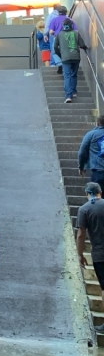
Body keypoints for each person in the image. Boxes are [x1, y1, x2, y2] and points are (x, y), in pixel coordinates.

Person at [76, 182, 104, 337]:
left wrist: (79, 255)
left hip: (100, 255)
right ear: (100, 192)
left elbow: (81, 235)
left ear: (87, 193)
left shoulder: (84, 209)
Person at [53, 17, 86, 103]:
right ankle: (74, 92)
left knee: (67, 76)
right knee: (74, 75)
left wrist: (60, 55)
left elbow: (55, 47)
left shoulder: (59, 34)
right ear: (71, 25)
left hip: (65, 58)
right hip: (76, 57)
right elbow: (82, 45)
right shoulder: (76, 33)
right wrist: (85, 48)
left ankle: (68, 96)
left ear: (63, 26)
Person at [46, 5, 77, 75]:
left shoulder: (54, 20)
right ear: (66, 12)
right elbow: (75, 31)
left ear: (58, 12)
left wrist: (54, 33)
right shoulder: (70, 20)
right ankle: (68, 66)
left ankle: (59, 64)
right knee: (66, 52)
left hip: (57, 38)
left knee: (54, 52)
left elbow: (51, 31)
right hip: (68, 38)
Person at [78, 116, 104, 188]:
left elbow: (82, 152)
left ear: (97, 124)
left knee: (97, 195)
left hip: (98, 170)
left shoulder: (91, 134)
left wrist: (81, 166)